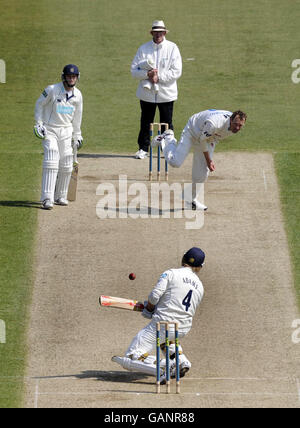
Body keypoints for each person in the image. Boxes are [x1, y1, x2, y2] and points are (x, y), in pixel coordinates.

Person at [112, 247, 205, 382]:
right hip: (183, 328)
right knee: (165, 337)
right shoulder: (200, 287)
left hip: (163, 324)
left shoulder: (171, 274)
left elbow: (155, 296)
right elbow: (181, 308)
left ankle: (163, 368)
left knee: (132, 354)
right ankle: (181, 361)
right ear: (200, 267)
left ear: (183, 258)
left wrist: (149, 309)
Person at [151, 109, 247, 210]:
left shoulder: (233, 127)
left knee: (202, 173)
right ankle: (168, 138)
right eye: (236, 124)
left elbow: (212, 138)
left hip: (208, 137)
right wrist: (209, 160)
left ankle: (191, 200)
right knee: (175, 162)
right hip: (193, 130)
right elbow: (202, 141)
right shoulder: (214, 123)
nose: (237, 127)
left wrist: (208, 158)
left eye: (240, 125)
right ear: (230, 120)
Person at [34, 64, 83, 210]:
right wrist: (38, 124)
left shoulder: (78, 95)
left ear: (77, 78)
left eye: (74, 76)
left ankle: (61, 195)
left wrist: (77, 134)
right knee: (52, 157)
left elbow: (78, 116)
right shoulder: (52, 90)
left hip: (66, 131)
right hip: (50, 129)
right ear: (64, 77)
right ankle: (47, 198)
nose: (71, 79)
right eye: (69, 76)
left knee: (67, 162)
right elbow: (39, 104)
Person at [131, 20, 182, 159]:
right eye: (156, 32)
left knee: (166, 122)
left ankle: (167, 150)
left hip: (166, 93)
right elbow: (134, 71)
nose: (158, 34)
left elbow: (177, 71)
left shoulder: (172, 48)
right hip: (147, 93)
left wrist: (158, 77)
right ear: (152, 33)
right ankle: (143, 148)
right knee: (146, 121)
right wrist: (147, 74)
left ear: (164, 33)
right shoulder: (143, 49)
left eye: (161, 32)